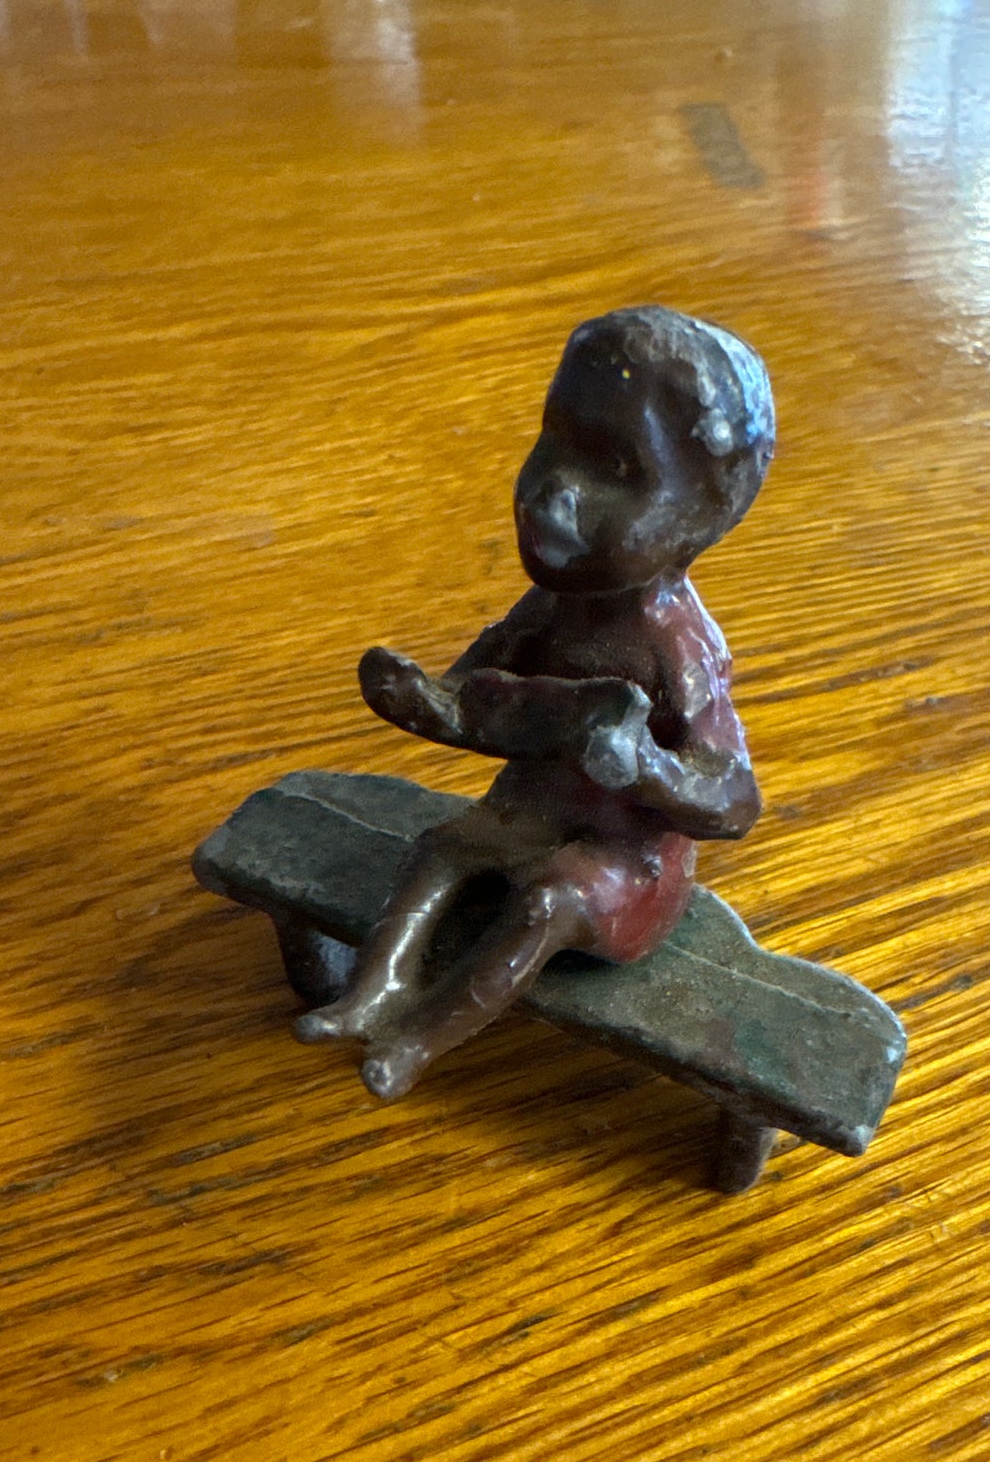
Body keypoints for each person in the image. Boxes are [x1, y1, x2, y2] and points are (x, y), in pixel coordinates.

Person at [295, 304, 775, 1100]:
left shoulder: (674, 645)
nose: (556, 490)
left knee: (546, 902)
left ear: (699, 520)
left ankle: (419, 1038)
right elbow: (472, 698)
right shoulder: (551, 606)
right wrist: (421, 700)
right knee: (442, 848)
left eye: (617, 471)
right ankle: (370, 994)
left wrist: (646, 766)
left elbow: (732, 797)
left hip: (625, 865)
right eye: (555, 440)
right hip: (530, 813)